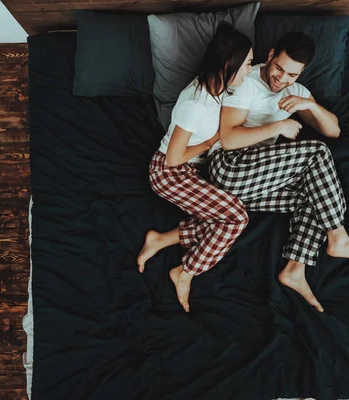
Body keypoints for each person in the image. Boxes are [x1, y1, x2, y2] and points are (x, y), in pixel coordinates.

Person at [209, 32, 349, 313]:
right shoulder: (246, 82)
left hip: (256, 183)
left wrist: (310, 105)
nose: (281, 79)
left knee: (314, 195)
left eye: (291, 74)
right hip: (229, 169)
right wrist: (277, 127)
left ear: (301, 72)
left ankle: (295, 269)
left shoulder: (295, 90)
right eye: (278, 68)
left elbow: (333, 130)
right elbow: (228, 139)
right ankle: (338, 236)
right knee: (317, 153)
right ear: (271, 54)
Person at [138, 23, 254, 313]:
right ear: (231, 64)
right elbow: (174, 158)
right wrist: (212, 141)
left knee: (223, 218)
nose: (250, 70)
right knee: (236, 218)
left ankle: (161, 239)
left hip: (189, 170)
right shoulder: (196, 104)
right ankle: (186, 271)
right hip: (168, 173)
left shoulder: (221, 88)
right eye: (248, 64)